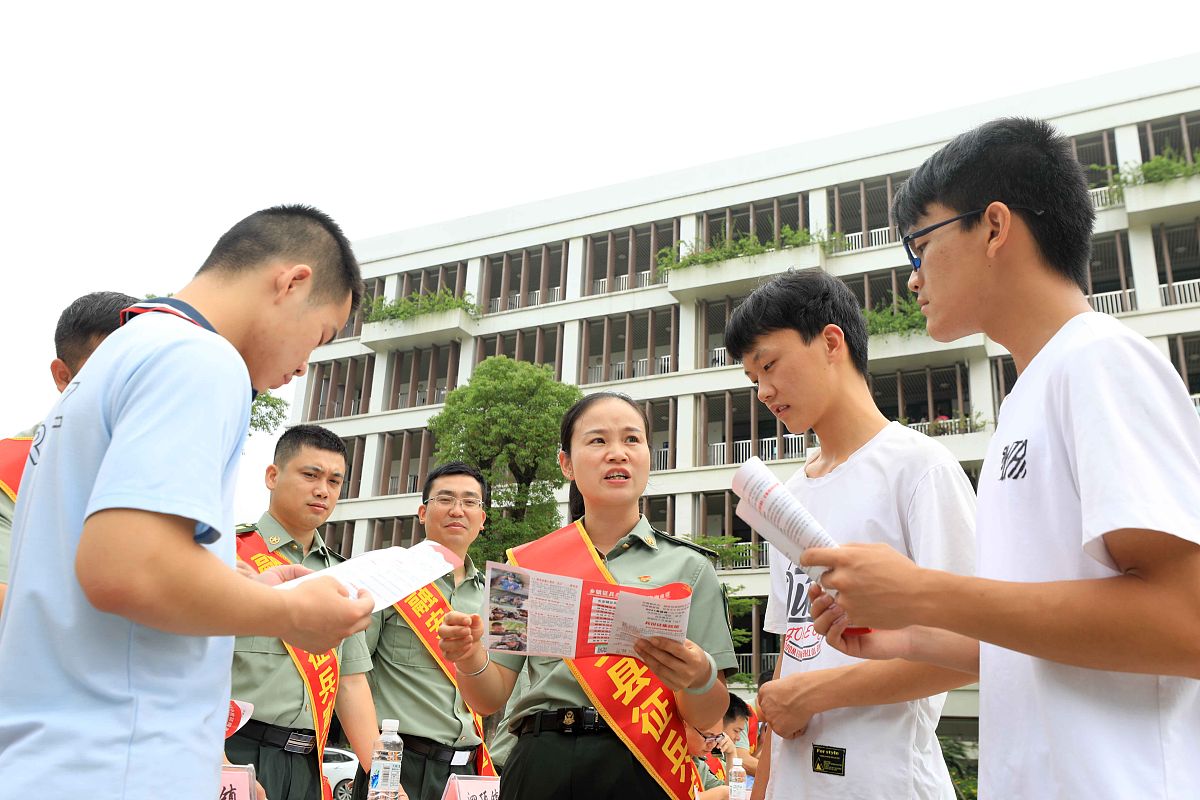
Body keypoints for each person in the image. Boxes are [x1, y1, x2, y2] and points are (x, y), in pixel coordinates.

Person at [803, 117, 1200, 799]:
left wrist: (922, 590)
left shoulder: (1099, 360)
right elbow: (1047, 645)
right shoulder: (1028, 396)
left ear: (993, 227)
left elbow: (1185, 620)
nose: (912, 278)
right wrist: (905, 638)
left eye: (919, 246)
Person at [0, 205, 377, 799]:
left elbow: (104, 559)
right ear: (292, 282)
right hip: (121, 760)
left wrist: (244, 585)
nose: (306, 365)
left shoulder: (122, 355)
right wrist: (289, 615)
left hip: (59, 752)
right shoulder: (199, 359)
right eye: (320, 335)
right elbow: (127, 571)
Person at [724, 269, 978, 800]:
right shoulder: (789, 494)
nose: (764, 392)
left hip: (885, 781)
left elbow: (969, 649)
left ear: (831, 342)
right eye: (753, 379)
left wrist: (815, 693)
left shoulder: (919, 468)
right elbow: (793, 648)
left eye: (769, 366)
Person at [437, 392, 738, 800]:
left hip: (642, 764)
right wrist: (469, 656)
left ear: (648, 457)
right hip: (542, 761)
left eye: (632, 439)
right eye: (598, 440)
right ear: (566, 463)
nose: (617, 453)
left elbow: (708, 713)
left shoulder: (691, 568)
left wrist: (699, 676)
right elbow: (489, 698)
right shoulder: (527, 563)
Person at [227, 424, 382, 800]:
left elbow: (351, 683)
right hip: (234, 751)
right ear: (272, 476)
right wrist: (222, 766)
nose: (323, 490)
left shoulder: (343, 576)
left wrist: (384, 781)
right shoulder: (230, 552)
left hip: (309, 766)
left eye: (334, 481)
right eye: (311, 475)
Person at [350, 461, 496, 800]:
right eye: (445, 499)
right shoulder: (388, 577)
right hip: (398, 766)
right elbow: (352, 675)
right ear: (422, 512)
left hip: (468, 772)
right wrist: (382, 775)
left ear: (482, 519)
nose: (458, 510)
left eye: (470, 501)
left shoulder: (492, 595)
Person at [0, 290, 137, 615]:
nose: (133, 387)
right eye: (111, 372)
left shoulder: (163, 469)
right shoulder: (8, 472)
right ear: (63, 376)